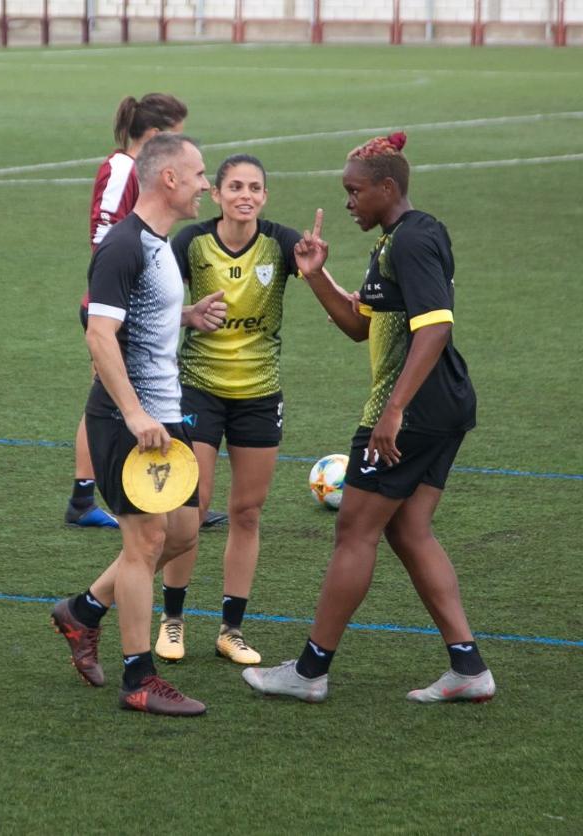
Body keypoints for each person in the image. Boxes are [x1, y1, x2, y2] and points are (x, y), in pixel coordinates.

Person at [242, 133, 495, 704]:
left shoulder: (413, 239)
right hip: (441, 404)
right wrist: (314, 274)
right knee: (408, 529)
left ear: (388, 187)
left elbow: (435, 327)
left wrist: (395, 410)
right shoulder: (395, 241)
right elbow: (362, 323)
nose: (349, 201)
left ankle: (309, 672)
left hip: (415, 409)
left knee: (354, 530)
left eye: (356, 191)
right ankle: (469, 668)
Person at [50, 134, 227, 716]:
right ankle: (139, 680)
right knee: (146, 539)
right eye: (200, 173)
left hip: (163, 414)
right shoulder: (123, 246)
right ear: (169, 179)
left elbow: (140, 315)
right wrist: (133, 412)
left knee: (181, 532)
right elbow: (99, 333)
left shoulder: (160, 243)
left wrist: (186, 317)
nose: (208, 184)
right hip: (130, 420)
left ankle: (82, 612)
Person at [154, 154, 342, 665]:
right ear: (215, 194)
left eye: (255, 188)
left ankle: (230, 630)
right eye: (235, 186)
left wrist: (317, 273)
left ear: (265, 196)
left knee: (247, 512)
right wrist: (189, 316)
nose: (245, 195)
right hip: (197, 389)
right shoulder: (191, 243)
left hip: (259, 395)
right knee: (190, 508)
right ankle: (172, 621)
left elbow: (334, 302)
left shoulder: (281, 243)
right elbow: (152, 303)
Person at [66, 93, 190, 530]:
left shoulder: (134, 170)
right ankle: (87, 496)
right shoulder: (122, 169)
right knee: (109, 395)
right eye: (176, 136)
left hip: (127, 302)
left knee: (108, 392)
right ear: (155, 136)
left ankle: (98, 495)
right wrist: (123, 292)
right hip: (115, 306)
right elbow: (105, 236)